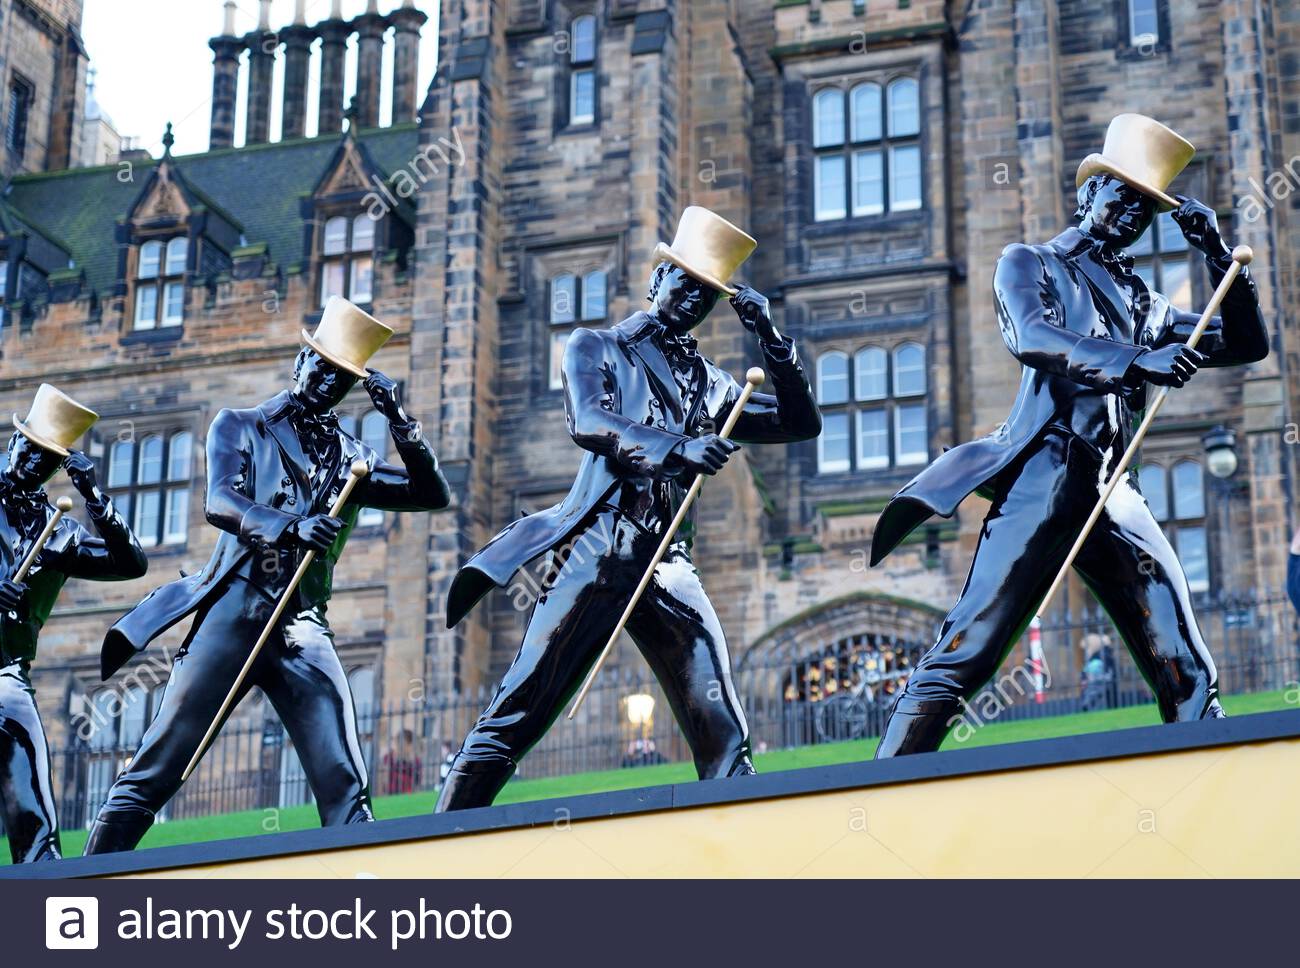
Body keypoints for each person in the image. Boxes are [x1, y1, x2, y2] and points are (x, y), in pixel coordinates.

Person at [869, 115, 1269, 756]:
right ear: (1088, 192)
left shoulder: (1147, 304)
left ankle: (1212, 795)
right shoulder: (1030, 262)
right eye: (1119, 193)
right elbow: (1032, 338)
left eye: (1144, 206)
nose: (1129, 212)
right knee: (969, 652)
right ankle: (883, 785)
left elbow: (1247, 345)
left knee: (1186, 665)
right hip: (1048, 473)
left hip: (1116, 486)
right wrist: (1136, 362)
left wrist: (1221, 259)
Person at [435, 207, 822, 810]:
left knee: (721, 725)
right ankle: (444, 835)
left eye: (709, 292)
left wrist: (771, 341)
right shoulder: (599, 346)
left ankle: (746, 854)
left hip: (669, 563)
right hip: (603, 549)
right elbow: (590, 423)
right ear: (657, 279)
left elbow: (800, 423)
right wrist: (679, 447)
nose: (694, 297)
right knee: (520, 709)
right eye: (685, 281)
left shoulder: (716, 384)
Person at [83, 298, 451, 853]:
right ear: (301, 360)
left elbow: (431, 495)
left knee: (346, 784)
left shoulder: (353, 455)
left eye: (343, 378)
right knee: (156, 770)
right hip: (234, 612)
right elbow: (221, 500)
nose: (328, 381)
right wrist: (289, 527)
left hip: (302, 628)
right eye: (322, 366)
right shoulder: (240, 424)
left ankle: (369, 899)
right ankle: (83, 886)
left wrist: (399, 421)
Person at [0, 385, 148, 862]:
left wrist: (93, 494)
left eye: (46, 458)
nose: (31, 461)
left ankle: (43, 910)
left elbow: (129, 562)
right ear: (11, 442)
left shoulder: (58, 531)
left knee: (34, 819)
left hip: (6, 679)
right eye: (27, 448)